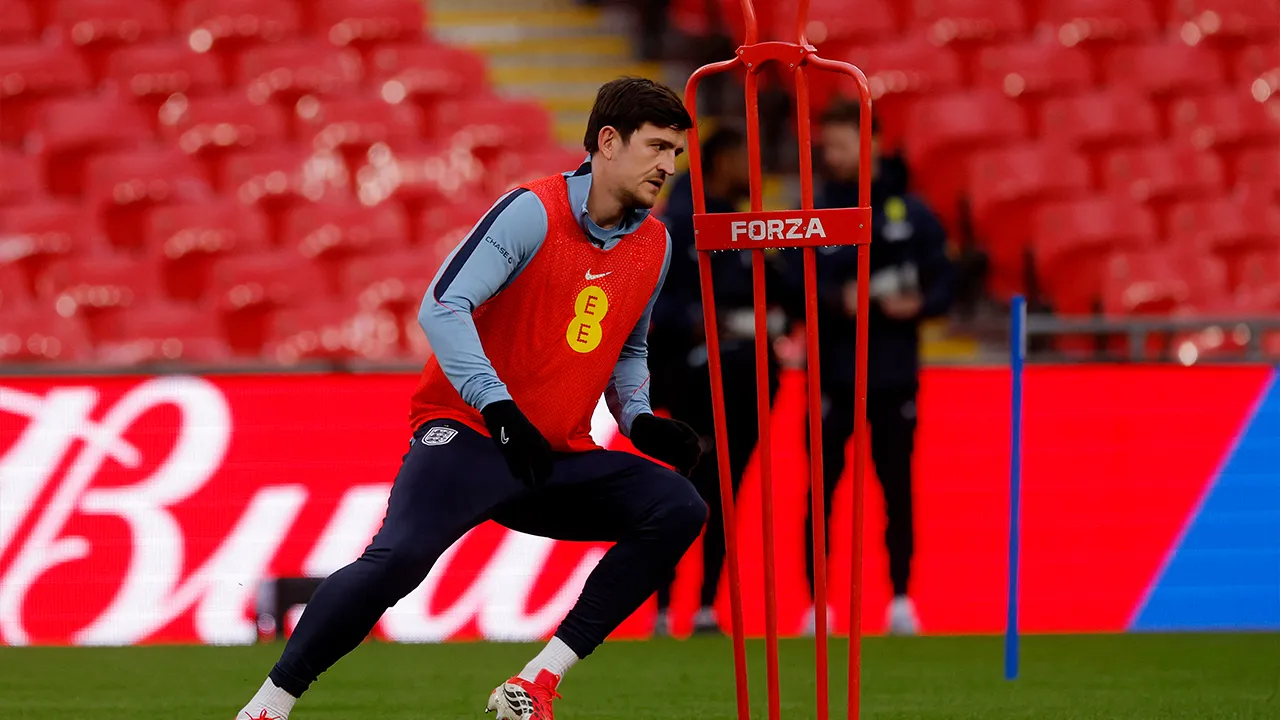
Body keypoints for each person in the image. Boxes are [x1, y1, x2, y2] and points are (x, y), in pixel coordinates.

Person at [234, 77, 707, 720]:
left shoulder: (655, 244)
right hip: (469, 433)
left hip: (552, 456)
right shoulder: (531, 211)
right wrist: (497, 406)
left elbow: (628, 350)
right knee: (397, 562)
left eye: (676, 153)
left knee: (677, 506)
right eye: (656, 147)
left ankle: (535, 683)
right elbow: (441, 306)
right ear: (607, 141)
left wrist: (641, 419)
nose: (667, 166)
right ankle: (267, 706)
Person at [797, 100, 956, 636]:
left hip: (891, 374)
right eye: (828, 144)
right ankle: (817, 607)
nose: (832, 155)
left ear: (872, 145)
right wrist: (832, 297)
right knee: (821, 489)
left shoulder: (910, 212)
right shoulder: (814, 211)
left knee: (896, 489)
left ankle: (902, 601)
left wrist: (922, 305)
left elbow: (946, 280)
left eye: (842, 144)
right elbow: (789, 281)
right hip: (833, 374)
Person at [648, 124, 782, 636]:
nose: (752, 171)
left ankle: (704, 606)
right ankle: (662, 607)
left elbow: (784, 289)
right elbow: (658, 300)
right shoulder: (680, 224)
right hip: (693, 379)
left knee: (727, 492)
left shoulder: (752, 223)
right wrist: (712, 320)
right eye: (740, 159)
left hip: (748, 376)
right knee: (679, 490)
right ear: (719, 162)